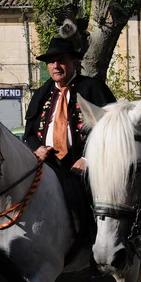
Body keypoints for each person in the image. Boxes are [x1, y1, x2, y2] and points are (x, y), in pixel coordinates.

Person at [23, 37, 116, 243]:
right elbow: (29, 132)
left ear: (75, 63)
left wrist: (88, 159)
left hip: (83, 167)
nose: (56, 65)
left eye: (62, 60)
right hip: (47, 166)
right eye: (52, 61)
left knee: (94, 209)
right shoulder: (41, 94)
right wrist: (37, 149)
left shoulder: (93, 88)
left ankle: (95, 249)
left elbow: (114, 130)